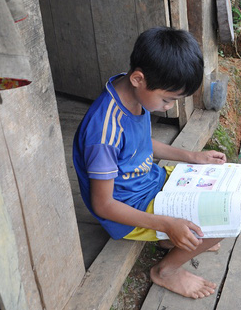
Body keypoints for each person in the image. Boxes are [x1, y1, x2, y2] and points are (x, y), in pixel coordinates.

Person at [73, 26, 227, 299]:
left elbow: (139, 145)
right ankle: (165, 271)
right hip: (129, 209)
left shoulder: (132, 93)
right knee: (220, 223)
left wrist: (193, 157)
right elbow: (103, 205)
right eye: (167, 99)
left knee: (218, 194)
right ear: (138, 78)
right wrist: (166, 223)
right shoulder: (104, 133)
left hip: (151, 181)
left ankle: (174, 240)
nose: (169, 106)